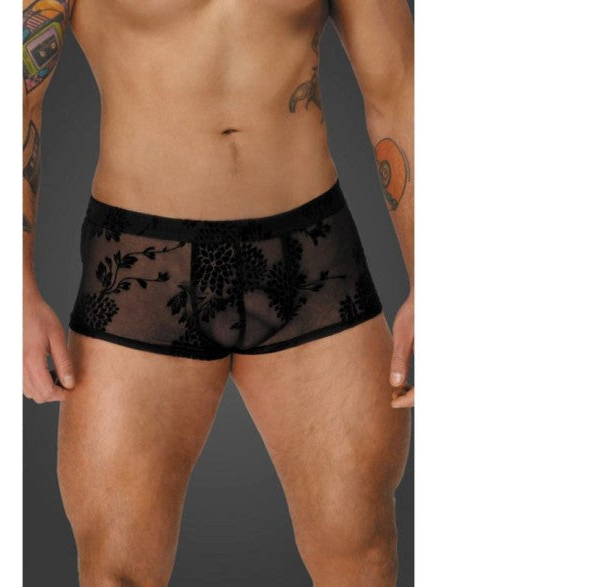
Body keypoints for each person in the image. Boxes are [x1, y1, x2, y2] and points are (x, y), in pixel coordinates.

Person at [22, 0, 414, 584]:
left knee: (361, 552)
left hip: (310, 257)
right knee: (116, 568)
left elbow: (399, 91)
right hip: (141, 266)